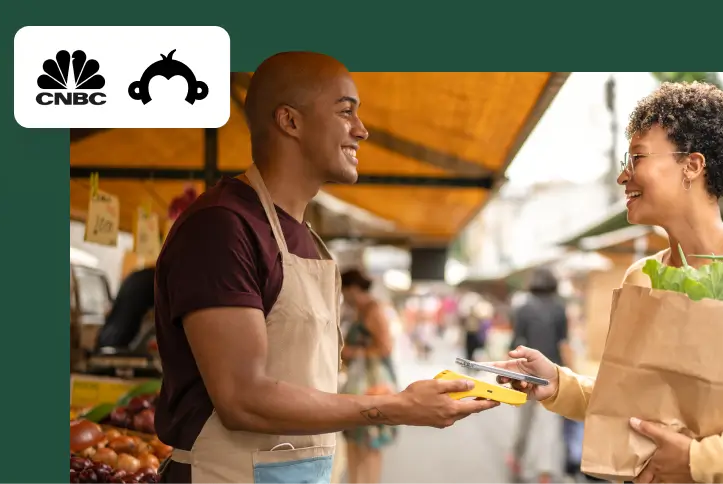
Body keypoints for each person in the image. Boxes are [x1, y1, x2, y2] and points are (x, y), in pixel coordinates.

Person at [152, 51, 499, 484]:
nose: (362, 130)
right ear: (290, 121)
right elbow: (242, 398)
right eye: (345, 111)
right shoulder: (221, 227)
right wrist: (398, 407)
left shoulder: (308, 240)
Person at [490, 81, 723, 484]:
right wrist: (558, 383)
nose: (623, 175)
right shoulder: (640, 278)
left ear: (692, 166)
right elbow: (629, 398)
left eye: (637, 157)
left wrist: (701, 459)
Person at [506, 268, 569, 484]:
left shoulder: (523, 308)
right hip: (552, 373)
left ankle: (516, 457)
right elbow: (563, 343)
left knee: (524, 421)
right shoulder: (560, 309)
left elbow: (515, 341)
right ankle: (544, 472)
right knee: (549, 425)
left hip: (526, 372)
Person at [339, 269, 398, 484]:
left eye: (344, 291)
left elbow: (385, 348)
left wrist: (353, 352)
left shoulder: (373, 310)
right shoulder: (358, 311)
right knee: (354, 441)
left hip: (373, 381)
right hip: (359, 381)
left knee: (370, 442)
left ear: (353, 289)